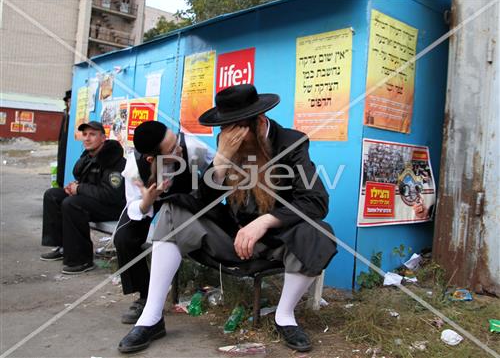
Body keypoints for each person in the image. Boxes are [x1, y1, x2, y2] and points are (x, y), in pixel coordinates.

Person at [117, 84, 337, 353]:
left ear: (258, 121)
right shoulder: (228, 146)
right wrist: (221, 160)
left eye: (235, 129)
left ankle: (285, 317)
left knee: (319, 232)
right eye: (224, 129)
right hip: (235, 238)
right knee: (175, 210)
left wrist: (265, 221)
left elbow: (316, 201)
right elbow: (203, 202)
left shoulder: (292, 143)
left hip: (278, 241)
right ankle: (151, 319)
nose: (228, 136)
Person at [114, 120, 213, 324]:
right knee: (124, 238)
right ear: (152, 158)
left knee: (180, 227)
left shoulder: (192, 147)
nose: (179, 147)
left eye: (175, 140)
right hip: (149, 198)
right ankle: (145, 295)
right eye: (172, 149)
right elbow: (133, 204)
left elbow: (214, 170)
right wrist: (147, 202)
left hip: (184, 197)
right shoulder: (134, 167)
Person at [40, 121, 126, 274]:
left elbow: (110, 195)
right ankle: (62, 247)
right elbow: (89, 182)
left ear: (103, 138)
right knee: (52, 195)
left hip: (113, 208)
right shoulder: (89, 157)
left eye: (92, 134)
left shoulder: (114, 161)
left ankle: (82, 260)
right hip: (93, 202)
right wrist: (74, 187)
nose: (87, 138)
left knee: (72, 204)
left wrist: (79, 189)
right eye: (85, 134)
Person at [56, 90, 71, 188]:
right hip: (63, 146)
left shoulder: (72, 115)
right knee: (62, 165)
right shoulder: (66, 114)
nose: (69, 103)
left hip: (69, 146)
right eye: (68, 101)